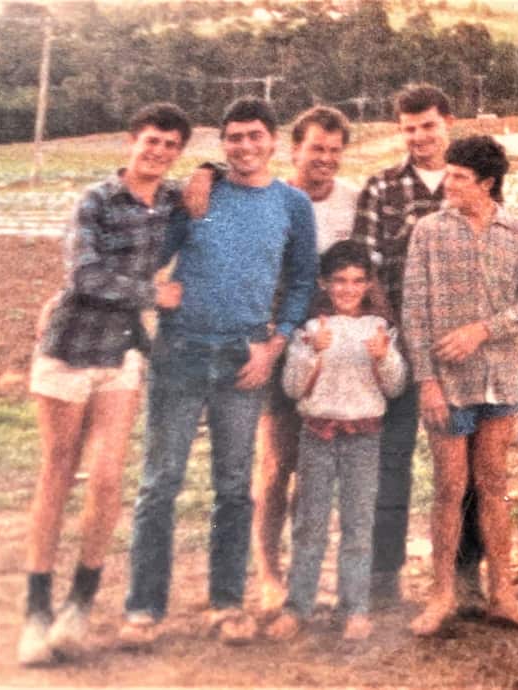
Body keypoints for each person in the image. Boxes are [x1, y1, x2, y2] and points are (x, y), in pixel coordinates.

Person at [120, 97, 318, 647]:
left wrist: (272, 347)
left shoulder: (292, 205)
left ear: (273, 140)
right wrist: (194, 184)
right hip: (180, 351)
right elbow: (148, 255)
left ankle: (226, 602)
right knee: (160, 483)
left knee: (233, 488)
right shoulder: (198, 195)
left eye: (255, 136)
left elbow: (301, 282)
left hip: (243, 359)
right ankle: (143, 609)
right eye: (233, 138)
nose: (245, 146)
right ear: (222, 143)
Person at [17, 103, 192, 666]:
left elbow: (208, 189)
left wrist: (209, 172)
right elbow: (83, 275)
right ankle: (36, 612)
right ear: (130, 141)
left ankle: (78, 606)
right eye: (150, 141)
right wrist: (150, 296)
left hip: (119, 355)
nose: (157, 151)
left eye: (169, 145)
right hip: (68, 349)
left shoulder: (170, 201)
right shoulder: (95, 199)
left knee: (110, 477)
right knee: (58, 473)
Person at [401, 135, 518, 635]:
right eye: (450, 173)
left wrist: (481, 331)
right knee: (448, 488)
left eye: (460, 177)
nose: (449, 183)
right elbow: (414, 313)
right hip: (448, 386)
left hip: (500, 381)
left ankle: (501, 594)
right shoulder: (428, 232)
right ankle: (441, 594)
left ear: (486, 184)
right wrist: (426, 382)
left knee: (495, 487)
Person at [352, 84, 485, 612]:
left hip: (463, 350)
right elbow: (367, 269)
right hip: (402, 349)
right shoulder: (382, 187)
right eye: (409, 129)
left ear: (447, 122)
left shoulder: (471, 183)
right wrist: (396, 325)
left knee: (469, 465)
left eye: (428, 125)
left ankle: (466, 573)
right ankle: (384, 574)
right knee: (392, 460)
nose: (420, 137)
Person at [265, 241, 406, 642]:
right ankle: (298, 606)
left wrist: (384, 358)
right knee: (310, 524)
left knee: (358, 525)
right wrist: (312, 355)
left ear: (368, 284)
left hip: (364, 435)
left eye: (357, 281)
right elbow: (293, 389)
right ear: (325, 283)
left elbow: (395, 387)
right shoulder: (311, 331)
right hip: (318, 435)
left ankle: (354, 607)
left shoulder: (379, 329)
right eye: (339, 281)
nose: (348, 289)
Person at [251, 105, 360, 611]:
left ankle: (304, 572)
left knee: (316, 468)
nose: (325, 158)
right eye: (316, 148)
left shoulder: (351, 202)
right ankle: (269, 573)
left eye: (335, 150)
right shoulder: (270, 200)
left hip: (331, 351)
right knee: (276, 464)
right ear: (293, 149)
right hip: (278, 343)